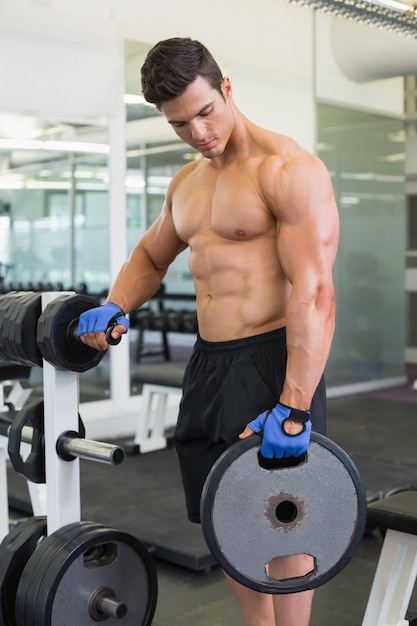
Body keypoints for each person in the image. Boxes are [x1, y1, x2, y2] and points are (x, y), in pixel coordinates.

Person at [78, 37, 340, 626]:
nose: (198, 132)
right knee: (220, 509)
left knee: (284, 516)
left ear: (227, 89)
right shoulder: (187, 185)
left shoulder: (288, 170)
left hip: (275, 358)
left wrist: (293, 407)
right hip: (209, 363)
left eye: (205, 112)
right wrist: (117, 305)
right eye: (180, 124)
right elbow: (150, 254)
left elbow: (316, 292)